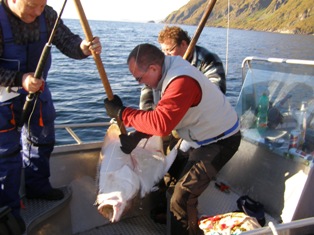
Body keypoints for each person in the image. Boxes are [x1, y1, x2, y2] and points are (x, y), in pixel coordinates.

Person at [104, 43, 241, 235]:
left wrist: (122, 112)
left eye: (139, 78)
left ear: (153, 68)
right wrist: (137, 136)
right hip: (196, 136)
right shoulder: (164, 73)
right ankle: (173, 218)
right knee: (167, 176)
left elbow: (162, 124)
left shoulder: (180, 80)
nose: (140, 83)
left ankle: (183, 226)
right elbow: (164, 113)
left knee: (182, 197)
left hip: (220, 140)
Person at [0, 0, 102, 233]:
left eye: (42, 5)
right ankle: (9, 215)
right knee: (6, 158)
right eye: (32, 6)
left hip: (38, 91)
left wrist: (84, 47)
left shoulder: (46, 14)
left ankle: (38, 186)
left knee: (43, 139)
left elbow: (68, 42)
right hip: (3, 98)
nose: (38, 12)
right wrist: (21, 80)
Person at [140, 25, 226, 111]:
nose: (166, 55)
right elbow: (149, 86)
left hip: (199, 117)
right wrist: (148, 110)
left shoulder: (208, 59)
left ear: (183, 44)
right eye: (163, 50)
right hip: (165, 115)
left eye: (169, 50)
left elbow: (217, 91)